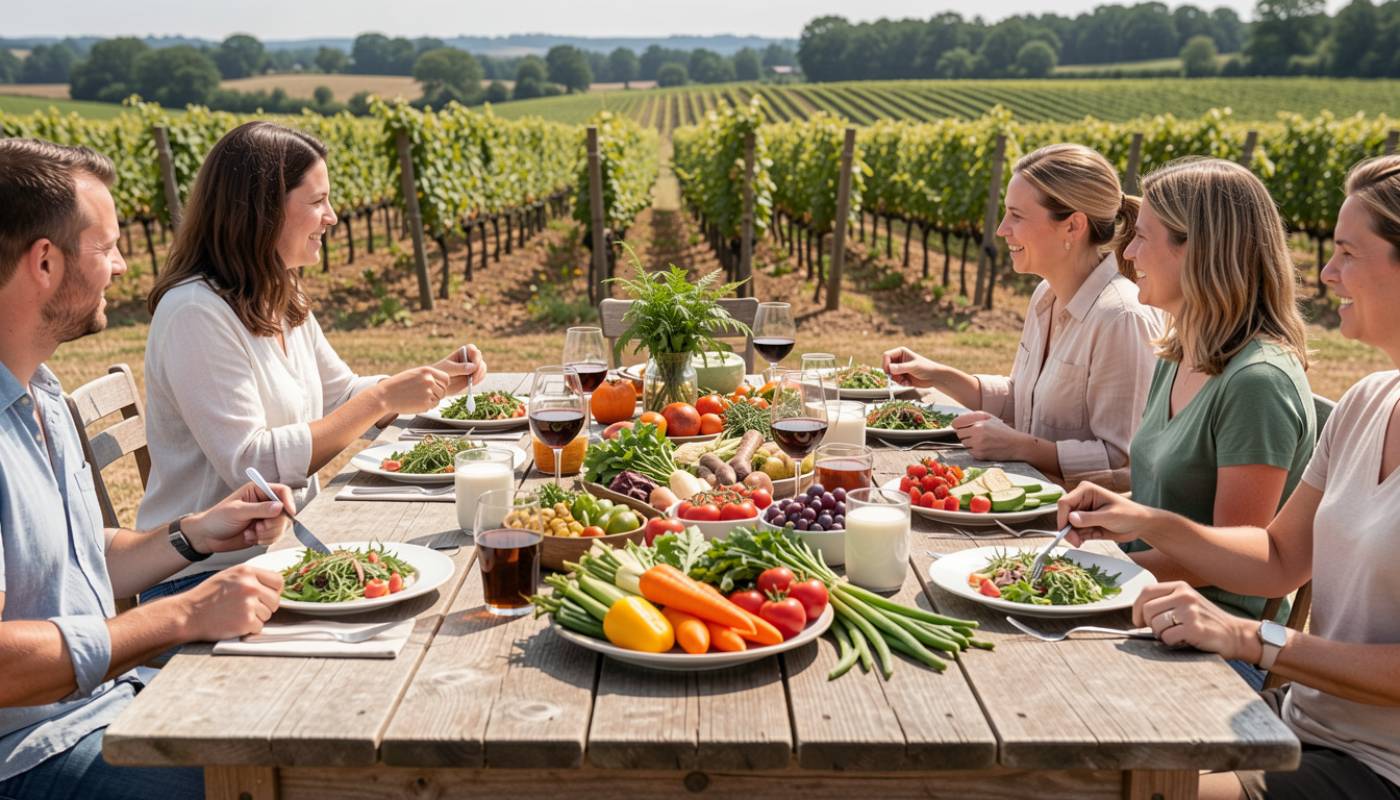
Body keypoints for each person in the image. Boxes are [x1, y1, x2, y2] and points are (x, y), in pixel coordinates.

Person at [1057, 155, 1400, 800]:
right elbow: (1276, 556)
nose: (1326, 274)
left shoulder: (1261, 378)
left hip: (1378, 768)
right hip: (1303, 728)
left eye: (1348, 253)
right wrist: (1143, 519)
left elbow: (1260, 601)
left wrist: (1250, 636)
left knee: (1093, 785)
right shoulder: (1368, 401)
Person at [0, 138, 296, 799]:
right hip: (28, 757)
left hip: (104, 706)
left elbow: (70, 563)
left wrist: (195, 534)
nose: (122, 264)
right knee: (297, 777)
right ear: (45, 262)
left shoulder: (38, 393)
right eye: (105, 246)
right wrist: (182, 616)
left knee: (309, 716)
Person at [138, 121, 488, 600]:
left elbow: (339, 395)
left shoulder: (276, 290)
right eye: (318, 201)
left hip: (284, 556)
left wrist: (431, 381)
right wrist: (384, 398)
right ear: (262, 211)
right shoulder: (195, 314)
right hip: (205, 580)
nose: (333, 217)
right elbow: (250, 465)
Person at [1116, 158, 1315, 688]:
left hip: (1209, 647)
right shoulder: (1180, 352)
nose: (1129, 254)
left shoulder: (1258, 383)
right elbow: (1164, 480)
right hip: (1145, 612)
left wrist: (1103, 571)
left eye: (1141, 238)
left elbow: (1230, 557)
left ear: (1198, 250)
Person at [883, 144, 1160, 491]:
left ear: (1073, 226)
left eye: (1016, 216)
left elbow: (1123, 462)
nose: (1001, 229)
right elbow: (1024, 400)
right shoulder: (1046, 295)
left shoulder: (1121, 318)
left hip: (1078, 531)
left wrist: (1019, 447)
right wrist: (940, 375)